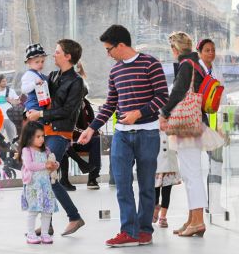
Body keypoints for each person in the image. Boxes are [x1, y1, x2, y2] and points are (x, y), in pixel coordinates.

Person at [78, 24, 168, 247]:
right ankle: (128, 231)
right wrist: (91, 128)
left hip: (148, 134)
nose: (107, 54)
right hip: (122, 135)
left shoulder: (151, 63)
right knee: (122, 183)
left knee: (147, 184)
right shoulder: (115, 71)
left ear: (121, 45)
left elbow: (162, 97)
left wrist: (139, 113)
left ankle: (145, 231)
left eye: (109, 49)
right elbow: (110, 104)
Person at [24, 39, 86, 237]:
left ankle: (74, 216)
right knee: (45, 176)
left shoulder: (76, 82)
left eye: (58, 52)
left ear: (68, 56)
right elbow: (43, 99)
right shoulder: (52, 76)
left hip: (59, 134)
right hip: (46, 132)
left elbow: (68, 111)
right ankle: (48, 224)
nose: (54, 54)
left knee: (48, 176)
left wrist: (40, 115)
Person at [159, 31, 211, 238]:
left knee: (192, 174)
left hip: (188, 124)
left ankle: (198, 221)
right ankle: (192, 219)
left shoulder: (187, 65)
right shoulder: (196, 63)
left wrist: (164, 112)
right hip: (195, 122)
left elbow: (178, 92)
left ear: (174, 49)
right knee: (190, 174)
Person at [59, 61, 101, 191]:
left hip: (83, 138)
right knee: (62, 142)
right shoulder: (67, 106)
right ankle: (66, 178)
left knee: (96, 139)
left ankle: (92, 178)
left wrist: (91, 132)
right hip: (70, 139)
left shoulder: (86, 105)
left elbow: (92, 123)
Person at [196, 38, 226, 215]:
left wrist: (223, 126)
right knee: (194, 167)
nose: (211, 53)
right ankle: (198, 208)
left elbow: (224, 99)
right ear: (199, 52)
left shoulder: (217, 72)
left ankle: (214, 202)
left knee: (216, 162)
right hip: (197, 122)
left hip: (213, 125)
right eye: (207, 50)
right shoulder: (195, 70)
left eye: (213, 50)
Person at [19, 121, 59, 245]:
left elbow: (53, 161)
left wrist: (55, 165)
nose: (42, 139)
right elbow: (30, 165)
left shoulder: (46, 150)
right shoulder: (26, 150)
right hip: (33, 186)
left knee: (47, 211)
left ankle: (45, 233)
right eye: (38, 136)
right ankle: (31, 234)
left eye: (43, 136)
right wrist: (45, 165)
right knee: (33, 211)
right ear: (29, 137)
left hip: (46, 186)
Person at [153, 130, 180, 229]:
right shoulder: (152, 130)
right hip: (156, 167)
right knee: (154, 191)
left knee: (166, 192)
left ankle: (163, 216)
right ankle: (156, 207)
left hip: (169, 166)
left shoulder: (172, 130)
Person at [0, 74, 19, 142]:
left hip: (10, 118)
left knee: (13, 139)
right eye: (3, 81)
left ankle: (13, 152)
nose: (5, 82)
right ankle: (1, 152)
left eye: (5, 81)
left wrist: (10, 100)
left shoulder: (11, 91)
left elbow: (18, 101)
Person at [21, 44, 50, 113]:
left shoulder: (39, 74)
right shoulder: (29, 74)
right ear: (29, 63)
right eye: (37, 62)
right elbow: (23, 89)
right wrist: (34, 83)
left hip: (42, 105)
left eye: (42, 61)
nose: (40, 64)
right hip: (33, 106)